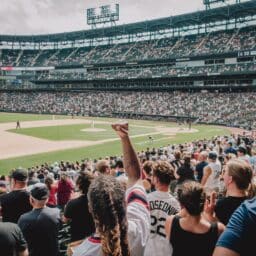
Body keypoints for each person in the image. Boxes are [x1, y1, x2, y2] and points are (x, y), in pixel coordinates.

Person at [73, 122, 150, 256]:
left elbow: (134, 176)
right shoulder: (138, 225)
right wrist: (124, 137)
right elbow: (135, 176)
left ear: (90, 208)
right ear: (124, 201)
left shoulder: (81, 252)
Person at [165, 181, 225, 256]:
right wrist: (209, 216)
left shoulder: (171, 222)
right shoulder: (218, 229)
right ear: (204, 202)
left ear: (182, 204)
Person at [144, 161, 180, 256]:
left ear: (156, 179)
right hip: (167, 250)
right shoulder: (176, 204)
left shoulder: (146, 199)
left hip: (148, 249)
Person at [204, 159, 253, 225]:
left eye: (224, 172)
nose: (222, 175)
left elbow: (221, 231)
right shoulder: (252, 202)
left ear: (230, 179)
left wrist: (209, 215)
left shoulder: (222, 205)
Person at [18, 183, 62, 256]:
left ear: (31, 199)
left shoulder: (23, 218)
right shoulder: (57, 212)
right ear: (47, 199)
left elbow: (21, 240)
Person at [64, 171, 95, 242]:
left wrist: (69, 204)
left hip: (79, 238)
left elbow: (65, 220)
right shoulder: (99, 199)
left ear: (79, 185)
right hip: (95, 235)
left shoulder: (73, 203)